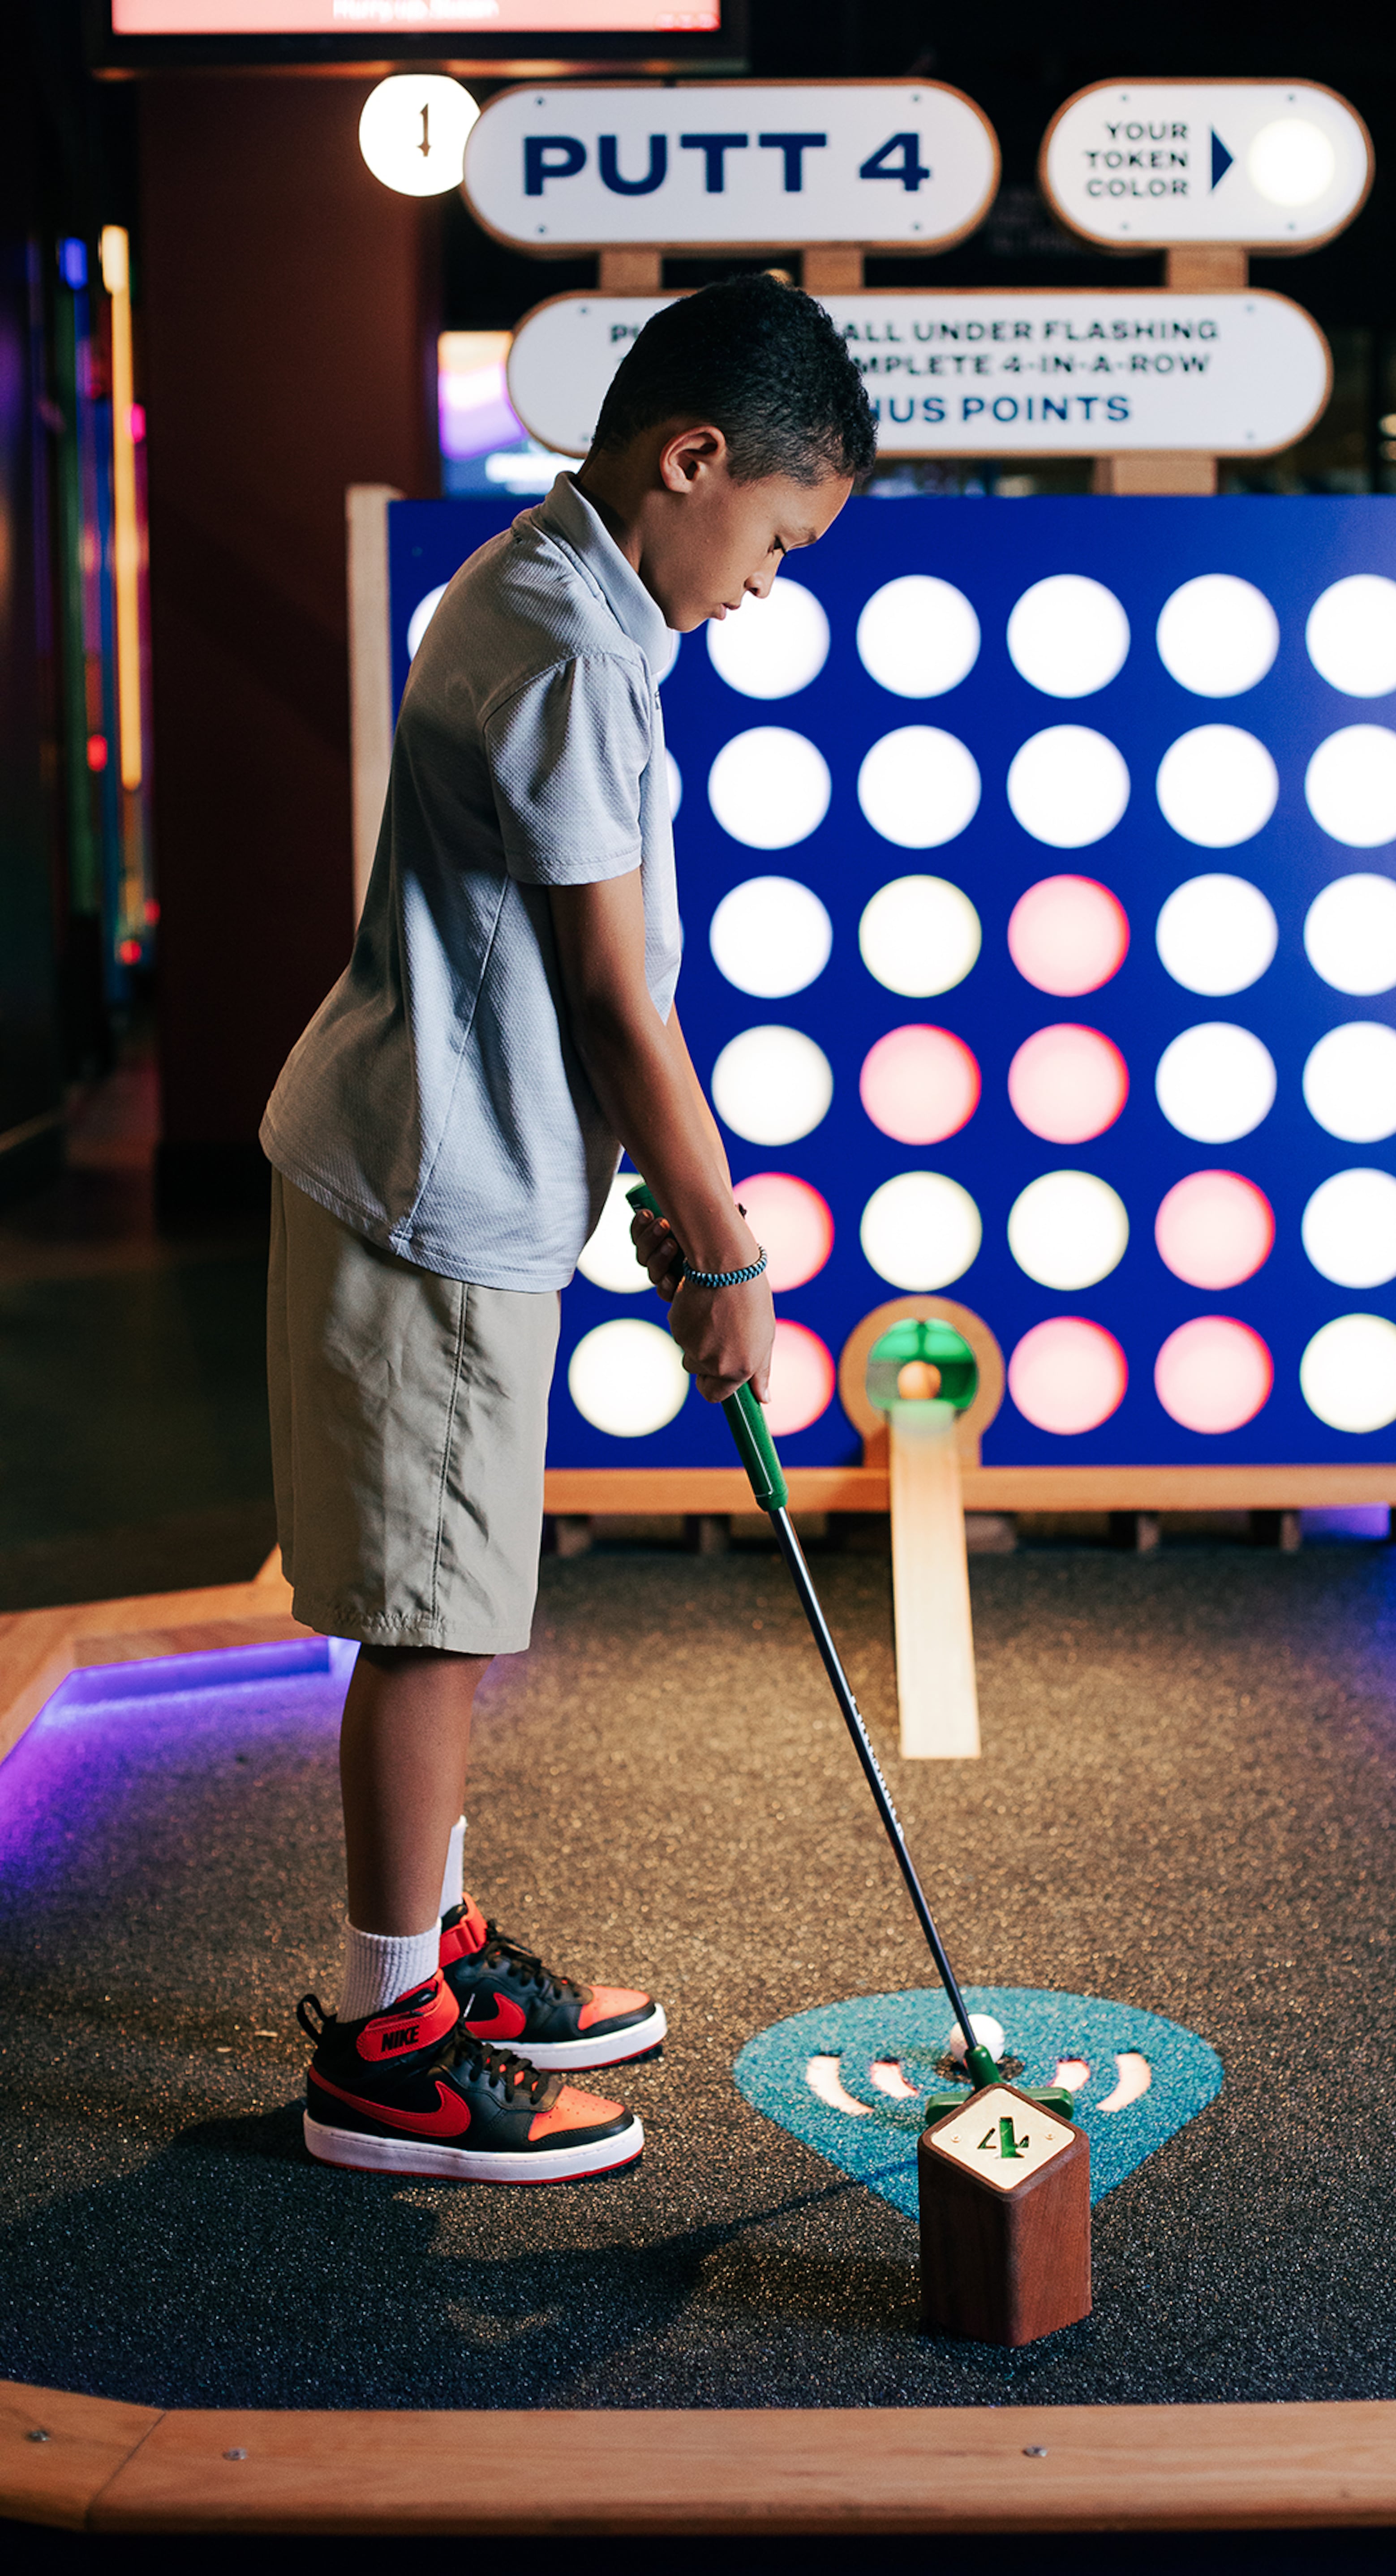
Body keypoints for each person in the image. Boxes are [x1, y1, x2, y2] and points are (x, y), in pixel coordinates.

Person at [262, 276, 875, 2182]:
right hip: (433, 1194)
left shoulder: (576, 597)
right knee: (431, 1619)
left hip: (480, 1169)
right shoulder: (555, 636)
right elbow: (619, 995)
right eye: (773, 532)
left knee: (452, 1598)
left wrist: (653, 1207)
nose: (768, 578)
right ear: (690, 459)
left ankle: (429, 1949)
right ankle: (384, 2045)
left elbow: (575, 976)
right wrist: (728, 1248)